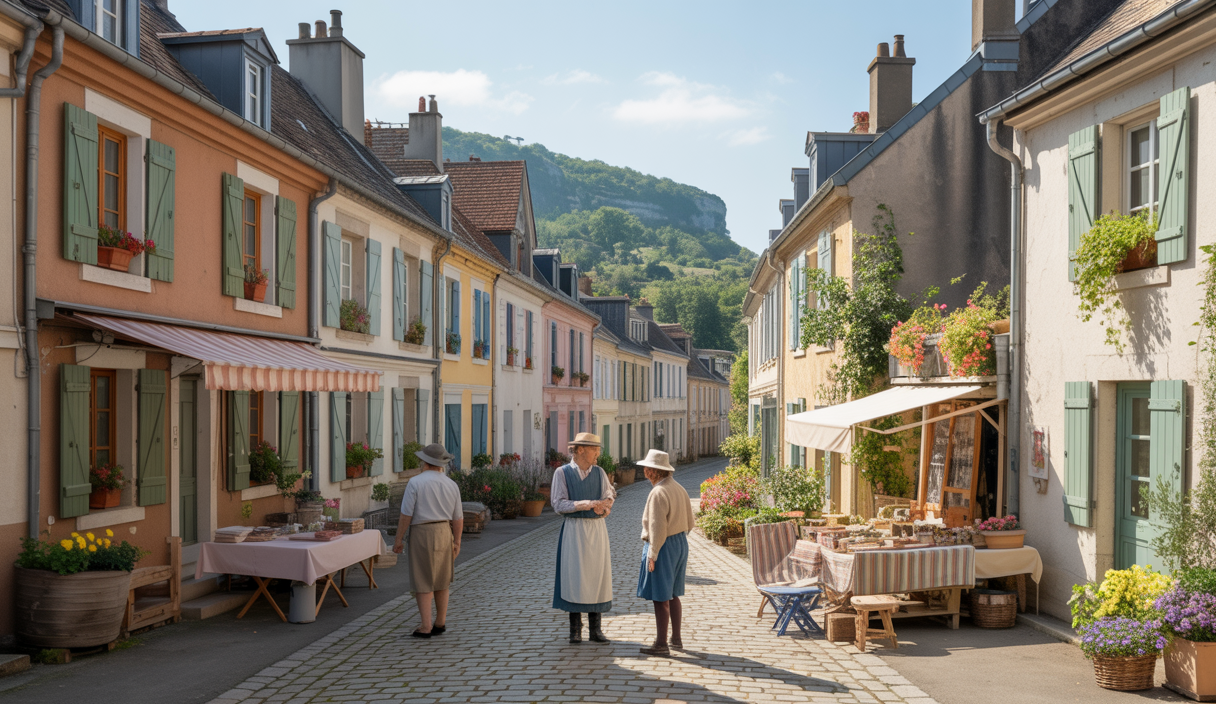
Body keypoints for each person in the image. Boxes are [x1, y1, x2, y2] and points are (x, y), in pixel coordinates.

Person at [392, 443, 464, 638]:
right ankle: (440, 622)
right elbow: (458, 518)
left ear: (424, 461)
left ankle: (425, 626)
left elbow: (406, 514)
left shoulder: (415, 482)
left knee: (422, 579)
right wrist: (457, 541)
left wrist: (399, 539)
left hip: (421, 531)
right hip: (443, 530)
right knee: (442, 578)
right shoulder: (452, 484)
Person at [551, 432, 615, 644]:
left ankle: (595, 629)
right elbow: (558, 504)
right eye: (594, 450)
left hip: (597, 530)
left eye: (598, 449)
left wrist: (605, 508)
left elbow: (609, 495)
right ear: (580, 450)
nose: (598, 454)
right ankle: (575, 629)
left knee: (597, 576)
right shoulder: (562, 473)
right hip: (574, 530)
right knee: (575, 577)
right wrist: (585, 504)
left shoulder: (599, 472)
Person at [635, 449, 695, 657]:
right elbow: (691, 522)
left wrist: (652, 554)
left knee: (660, 595)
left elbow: (657, 527)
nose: (643, 470)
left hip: (664, 544)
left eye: (646, 468)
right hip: (680, 543)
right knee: (673, 593)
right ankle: (675, 639)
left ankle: (661, 644)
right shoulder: (678, 488)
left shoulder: (658, 492)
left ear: (654, 471)